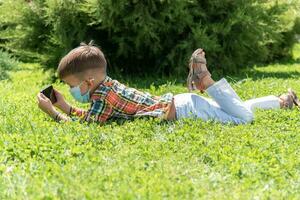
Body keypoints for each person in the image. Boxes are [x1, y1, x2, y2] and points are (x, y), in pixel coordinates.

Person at [37, 42, 300, 125]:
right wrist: (68, 107)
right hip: (183, 103)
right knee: (236, 110)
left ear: (89, 82)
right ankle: (282, 102)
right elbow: (93, 116)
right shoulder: (107, 87)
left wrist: (54, 113)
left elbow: (87, 126)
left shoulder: (101, 97)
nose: (72, 91)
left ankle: (205, 80)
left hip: (185, 111)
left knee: (243, 119)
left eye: (72, 86)